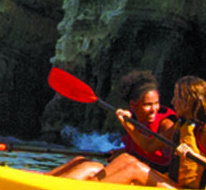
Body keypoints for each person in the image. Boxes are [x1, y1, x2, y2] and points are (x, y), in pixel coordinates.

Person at [50, 70, 180, 183]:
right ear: (133, 105)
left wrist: (127, 125)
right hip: (139, 172)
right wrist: (126, 150)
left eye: (156, 103)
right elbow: (142, 150)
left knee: (93, 168)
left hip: (156, 180)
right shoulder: (133, 119)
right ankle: (43, 179)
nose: (154, 109)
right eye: (148, 105)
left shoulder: (167, 124)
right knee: (80, 160)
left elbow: (149, 148)